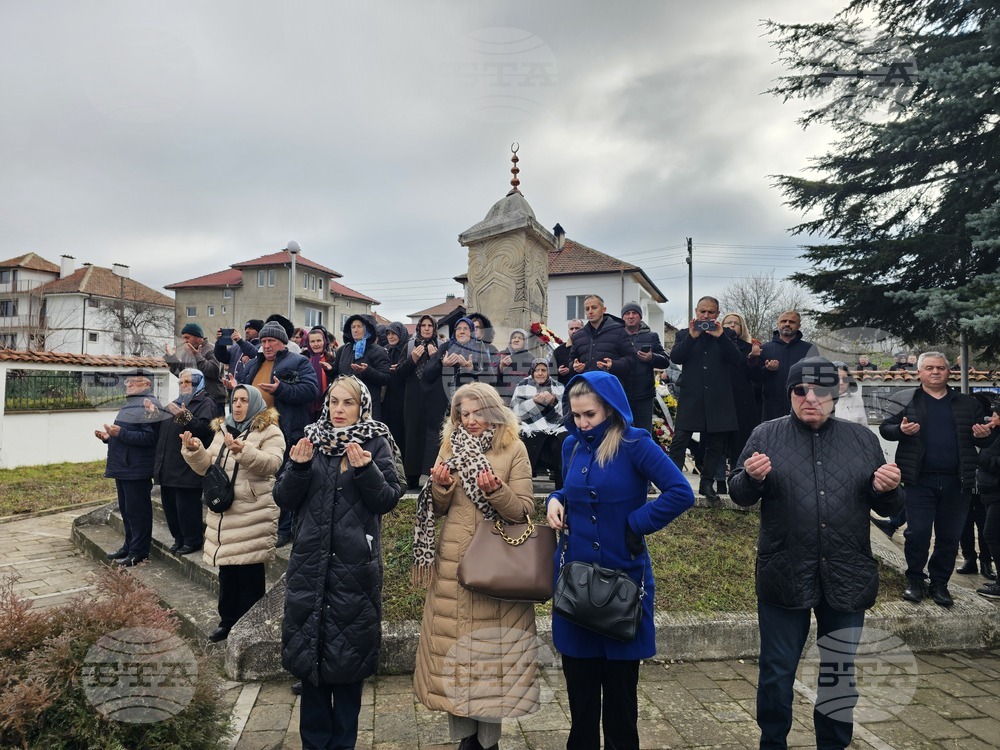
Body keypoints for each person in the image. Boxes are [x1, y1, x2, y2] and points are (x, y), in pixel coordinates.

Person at [730, 357, 903, 750]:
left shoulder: (862, 440)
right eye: (800, 390)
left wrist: (888, 488)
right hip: (785, 571)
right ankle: (772, 742)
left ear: (837, 392)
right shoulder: (765, 435)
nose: (811, 398)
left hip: (846, 572)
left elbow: (890, 507)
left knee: (840, 670)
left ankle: (834, 743)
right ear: (788, 393)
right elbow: (738, 493)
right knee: (776, 671)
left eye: (821, 390)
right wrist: (751, 478)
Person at [546, 371, 695, 750]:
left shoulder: (635, 443)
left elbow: (680, 491)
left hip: (623, 583)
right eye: (576, 415)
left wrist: (636, 525)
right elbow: (570, 487)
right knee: (580, 703)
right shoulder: (571, 446)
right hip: (577, 585)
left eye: (590, 415)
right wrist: (555, 499)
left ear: (610, 410)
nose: (582, 423)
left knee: (620, 703)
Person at [274, 376, 403, 749]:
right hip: (309, 569)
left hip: (354, 571)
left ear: (361, 406)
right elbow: (283, 497)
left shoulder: (377, 441)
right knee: (311, 669)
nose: (339, 410)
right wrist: (297, 469)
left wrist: (365, 471)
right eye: (334, 402)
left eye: (348, 403)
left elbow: (387, 499)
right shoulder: (310, 440)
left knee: (347, 669)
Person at [413, 382, 538, 750]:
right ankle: (466, 739)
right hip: (453, 561)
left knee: (490, 659)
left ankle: (489, 742)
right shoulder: (450, 446)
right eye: (463, 414)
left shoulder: (513, 448)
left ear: (493, 410)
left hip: (496, 565)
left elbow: (524, 512)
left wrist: (496, 491)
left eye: (476, 412)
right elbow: (437, 508)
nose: (470, 421)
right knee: (455, 653)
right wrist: (440, 487)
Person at [879, 351, 992, 607]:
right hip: (919, 480)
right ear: (919, 372)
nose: (935, 372)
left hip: (957, 481)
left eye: (940, 367)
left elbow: (982, 438)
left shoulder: (967, 403)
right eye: (929, 368)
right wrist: (901, 430)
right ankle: (915, 580)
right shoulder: (905, 399)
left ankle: (940, 583)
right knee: (917, 533)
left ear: (948, 371)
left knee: (949, 537)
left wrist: (984, 435)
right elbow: (886, 429)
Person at [180, 384, 283, 642]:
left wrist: (243, 451)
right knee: (227, 573)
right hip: (224, 511)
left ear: (256, 403)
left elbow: (272, 464)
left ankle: (251, 627)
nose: (237, 405)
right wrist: (195, 450)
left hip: (252, 512)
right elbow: (208, 467)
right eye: (234, 400)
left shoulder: (270, 431)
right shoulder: (222, 429)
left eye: (244, 400)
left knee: (249, 574)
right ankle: (227, 623)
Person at [236, 320, 319, 547]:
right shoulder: (254, 363)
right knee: (258, 480)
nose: (267, 345)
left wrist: (281, 389)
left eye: (271, 340)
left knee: (283, 480)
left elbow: (312, 390)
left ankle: (284, 529)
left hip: (285, 431)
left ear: (283, 342)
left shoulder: (298, 361)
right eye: (263, 341)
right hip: (255, 433)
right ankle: (261, 524)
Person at [668, 296, 741, 502]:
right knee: (680, 440)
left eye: (711, 312)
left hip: (718, 397)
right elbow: (676, 358)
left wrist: (720, 337)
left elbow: (736, 359)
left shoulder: (726, 334)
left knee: (715, 444)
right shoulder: (684, 334)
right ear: (696, 312)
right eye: (702, 311)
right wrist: (692, 336)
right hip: (692, 397)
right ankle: (673, 484)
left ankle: (706, 483)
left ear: (718, 314)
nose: (706, 316)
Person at [95, 369, 160, 567]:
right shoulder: (131, 403)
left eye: (133, 382)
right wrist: (109, 437)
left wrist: (120, 433)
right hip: (124, 465)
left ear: (147, 385)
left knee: (138, 511)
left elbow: (150, 438)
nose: (128, 384)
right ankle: (129, 546)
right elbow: (128, 434)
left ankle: (139, 552)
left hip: (136, 469)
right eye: (127, 382)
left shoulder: (150, 405)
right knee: (126, 510)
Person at [148, 368, 215, 554]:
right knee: (171, 508)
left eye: (188, 382)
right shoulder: (176, 403)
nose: (183, 386)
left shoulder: (206, 403)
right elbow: (160, 431)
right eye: (180, 382)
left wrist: (183, 416)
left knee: (187, 508)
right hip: (168, 465)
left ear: (198, 384)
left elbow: (205, 429)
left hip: (187, 467)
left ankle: (192, 540)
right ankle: (179, 538)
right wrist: (154, 414)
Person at [396, 315, 441, 489]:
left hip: (433, 398)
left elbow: (444, 374)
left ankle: (432, 473)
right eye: (424, 325)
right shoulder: (409, 346)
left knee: (431, 437)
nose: (427, 328)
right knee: (412, 435)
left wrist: (435, 358)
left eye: (430, 325)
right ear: (419, 328)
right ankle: (412, 476)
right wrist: (412, 360)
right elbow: (399, 373)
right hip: (413, 398)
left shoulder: (440, 346)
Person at [718, 312, 762, 492]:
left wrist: (753, 359)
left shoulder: (749, 347)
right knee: (718, 443)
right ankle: (719, 480)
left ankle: (736, 480)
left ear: (742, 327)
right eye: (728, 323)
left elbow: (757, 377)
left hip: (742, 400)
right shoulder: (716, 345)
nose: (731, 326)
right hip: (719, 399)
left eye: (736, 323)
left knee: (740, 442)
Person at [510, 358, 568, 488]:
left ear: (548, 371)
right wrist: (534, 403)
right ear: (532, 371)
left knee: (561, 442)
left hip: (554, 427)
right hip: (529, 427)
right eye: (537, 370)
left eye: (543, 370)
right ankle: (523, 488)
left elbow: (565, 412)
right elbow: (515, 412)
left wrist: (552, 404)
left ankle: (562, 490)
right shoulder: (522, 385)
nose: (540, 373)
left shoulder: (558, 386)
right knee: (526, 441)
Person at [619, 302, 670, 435]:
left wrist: (651, 358)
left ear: (640, 316)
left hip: (644, 395)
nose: (631, 316)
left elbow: (665, 361)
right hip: (621, 394)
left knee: (643, 434)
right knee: (621, 433)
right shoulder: (616, 336)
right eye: (627, 313)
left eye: (634, 313)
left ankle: (644, 456)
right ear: (622, 317)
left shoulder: (651, 336)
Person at [758, 310, 817, 421]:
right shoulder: (764, 349)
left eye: (792, 322)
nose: (787, 324)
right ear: (778, 324)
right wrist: (768, 369)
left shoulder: (809, 349)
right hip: (771, 409)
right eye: (783, 321)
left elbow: (816, 379)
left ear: (799, 326)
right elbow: (756, 378)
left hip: (802, 407)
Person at [335, 314, 391, 421]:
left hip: (368, 405)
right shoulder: (344, 349)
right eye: (353, 327)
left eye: (359, 326)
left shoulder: (378, 351)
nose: (355, 330)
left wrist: (367, 371)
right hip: (346, 404)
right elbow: (337, 372)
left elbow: (386, 378)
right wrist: (329, 369)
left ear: (368, 329)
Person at [165, 322, 227, 417]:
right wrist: (171, 358)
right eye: (183, 338)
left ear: (198, 338)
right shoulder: (186, 353)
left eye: (187, 337)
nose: (184, 341)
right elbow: (182, 374)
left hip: (213, 401)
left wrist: (196, 356)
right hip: (192, 400)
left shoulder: (212, 350)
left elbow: (213, 371)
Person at [569, 294, 633, 381]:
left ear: (603, 310)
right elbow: (571, 361)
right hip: (586, 387)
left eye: (594, 307)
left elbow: (632, 359)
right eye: (587, 309)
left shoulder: (618, 331)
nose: (590, 311)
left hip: (610, 386)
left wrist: (613, 365)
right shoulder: (578, 336)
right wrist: (574, 366)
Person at [975, 399, 1000, 598]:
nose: (992, 418)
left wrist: (982, 460)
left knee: (991, 535)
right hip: (990, 493)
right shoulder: (994, 434)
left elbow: (992, 461)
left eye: (995, 415)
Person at [382, 320, 410, 453]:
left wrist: (400, 368)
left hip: (403, 394)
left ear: (401, 334)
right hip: (387, 395)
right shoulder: (385, 349)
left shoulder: (408, 349)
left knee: (401, 430)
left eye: (394, 333)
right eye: (388, 334)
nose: (391, 336)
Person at [215, 319, 263, 384]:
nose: (247, 331)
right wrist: (220, 343)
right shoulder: (236, 347)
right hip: (232, 389)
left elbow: (255, 354)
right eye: (246, 329)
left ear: (259, 331)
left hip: (249, 389)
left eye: (251, 328)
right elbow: (223, 358)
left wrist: (240, 341)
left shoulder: (262, 347)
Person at [305, 325, 337, 422]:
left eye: (319, 341)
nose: (316, 344)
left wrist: (331, 371)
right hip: (306, 406)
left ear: (324, 341)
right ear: (308, 343)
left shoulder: (332, 359)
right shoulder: (302, 359)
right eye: (312, 341)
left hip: (327, 406)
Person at [495, 328, 537, 400]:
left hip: (521, 397)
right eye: (514, 337)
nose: (516, 340)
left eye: (520, 338)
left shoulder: (530, 358)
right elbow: (490, 375)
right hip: (501, 396)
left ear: (525, 342)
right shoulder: (501, 354)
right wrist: (501, 366)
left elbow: (534, 379)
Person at [833, 361, 868, 426]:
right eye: (836, 379)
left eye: (845, 379)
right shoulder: (818, 400)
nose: (841, 383)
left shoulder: (857, 400)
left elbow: (864, 429)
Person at [553, 319, 583, 384]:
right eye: (571, 329)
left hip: (585, 388)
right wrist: (558, 371)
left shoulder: (590, 347)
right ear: (568, 331)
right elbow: (550, 371)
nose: (574, 331)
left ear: (583, 330)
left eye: (577, 328)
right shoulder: (558, 351)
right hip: (565, 389)